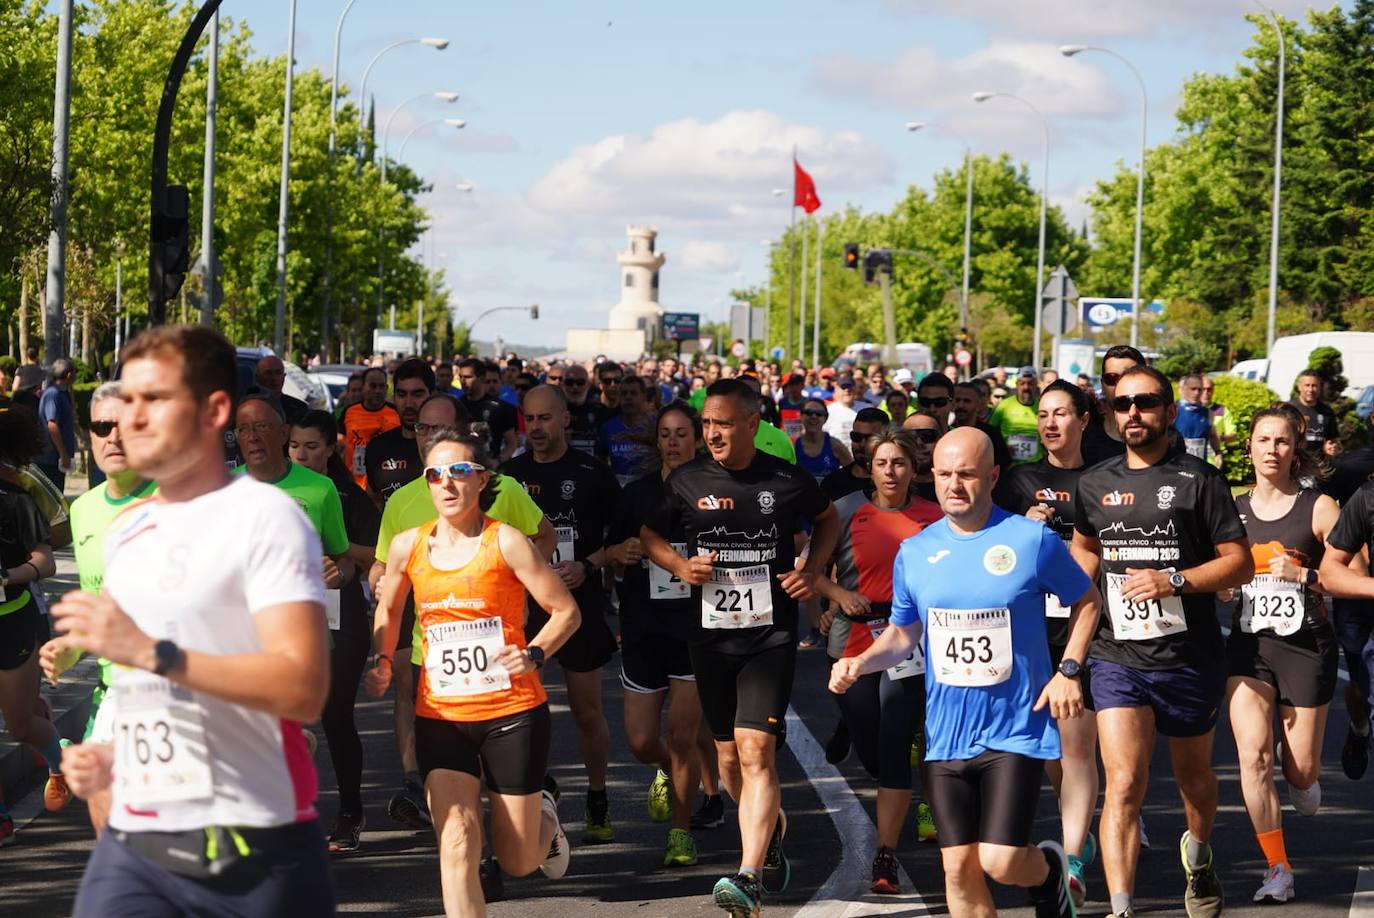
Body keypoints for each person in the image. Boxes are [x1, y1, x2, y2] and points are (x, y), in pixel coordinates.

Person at [52, 325, 334, 916]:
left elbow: (303, 688)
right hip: (137, 839)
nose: (133, 417)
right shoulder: (129, 533)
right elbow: (139, 686)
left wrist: (152, 651)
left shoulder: (266, 519)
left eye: (155, 399)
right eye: (126, 401)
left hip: (251, 837)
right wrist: (109, 753)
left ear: (213, 410)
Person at [830, 426, 1095, 918]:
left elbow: (1086, 600)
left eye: (967, 474)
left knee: (999, 860)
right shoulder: (916, 551)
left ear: (992, 476)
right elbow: (904, 634)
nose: (954, 484)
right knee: (956, 870)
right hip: (946, 734)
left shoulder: (1030, 539)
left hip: (1015, 730)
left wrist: (1070, 669)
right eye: (945, 473)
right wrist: (861, 661)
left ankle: (1050, 873)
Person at [641, 378, 839, 917]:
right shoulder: (686, 479)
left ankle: (748, 876)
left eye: (723, 424)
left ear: (753, 424)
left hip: (769, 635)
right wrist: (681, 566)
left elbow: (827, 519)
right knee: (728, 759)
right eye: (708, 424)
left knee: (756, 752)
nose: (712, 434)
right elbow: (649, 535)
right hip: (710, 635)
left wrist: (813, 568)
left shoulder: (786, 479)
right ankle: (769, 827)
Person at [364, 432, 579, 917]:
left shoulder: (507, 541)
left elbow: (566, 612)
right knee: (457, 838)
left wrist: (537, 653)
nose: (446, 483)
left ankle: (544, 814)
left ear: (481, 479)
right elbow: (389, 609)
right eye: (434, 474)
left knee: (518, 859)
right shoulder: (407, 546)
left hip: (513, 714)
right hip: (441, 715)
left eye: (459, 471)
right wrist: (381, 658)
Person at [1071, 365, 1253, 918]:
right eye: (1121, 404)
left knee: (1195, 781)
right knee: (1123, 781)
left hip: (1189, 655)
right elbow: (1085, 551)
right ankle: (1122, 906)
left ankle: (1197, 854)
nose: (1132, 413)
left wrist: (1173, 580)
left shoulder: (1201, 480)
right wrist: (1067, 598)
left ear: (1169, 412)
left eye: (1146, 403)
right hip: (1116, 654)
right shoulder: (1095, 482)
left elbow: (1240, 564)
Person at [369, 393, 554, 843]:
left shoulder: (503, 491)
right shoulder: (403, 502)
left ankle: (534, 822)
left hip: (503, 668)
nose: (428, 438)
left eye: (438, 429)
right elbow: (383, 569)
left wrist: (522, 584)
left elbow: (543, 538)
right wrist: (382, 643)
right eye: (421, 429)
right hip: (430, 653)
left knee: (516, 838)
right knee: (456, 822)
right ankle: (464, 841)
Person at [1220, 408, 1340, 904]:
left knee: (1300, 772)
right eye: (1263, 440)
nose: (1272, 449)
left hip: (1305, 647)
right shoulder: (1230, 508)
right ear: (1248, 447)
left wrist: (1308, 577)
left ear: (1296, 450)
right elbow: (1215, 569)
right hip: (1250, 647)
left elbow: (1351, 572)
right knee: (1253, 756)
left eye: (1282, 441)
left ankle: (1303, 781)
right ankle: (1277, 867)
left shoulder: (1319, 507)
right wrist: (1223, 588)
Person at [817, 429, 942, 893]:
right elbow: (811, 572)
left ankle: (884, 855)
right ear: (869, 467)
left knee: (892, 747)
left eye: (900, 463)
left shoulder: (933, 514)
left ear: (914, 469)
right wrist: (839, 593)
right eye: (882, 463)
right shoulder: (846, 510)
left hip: (909, 640)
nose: (891, 472)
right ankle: (854, 727)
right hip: (853, 638)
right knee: (872, 751)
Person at [993, 380, 1101, 907]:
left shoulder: (1103, 479)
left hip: (1083, 625)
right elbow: (987, 547)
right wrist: (1019, 530)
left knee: (1077, 746)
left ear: (1084, 419)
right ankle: (1076, 824)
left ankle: (1074, 858)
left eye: (1061, 413)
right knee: (1052, 751)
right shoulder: (1018, 481)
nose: (1050, 423)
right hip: (1026, 630)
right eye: (1042, 415)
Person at [503, 385, 622, 843]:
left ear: (565, 420)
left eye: (544, 419)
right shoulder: (508, 478)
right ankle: (537, 790)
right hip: (523, 609)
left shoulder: (592, 472)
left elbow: (622, 536)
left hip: (578, 606)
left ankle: (597, 793)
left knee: (586, 710)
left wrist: (588, 564)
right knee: (523, 710)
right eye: (529, 420)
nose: (536, 428)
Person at [38, 383, 158, 837]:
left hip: (178, 692)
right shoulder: (83, 510)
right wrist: (69, 648)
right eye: (101, 427)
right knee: (109, 825)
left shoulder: (178, 505)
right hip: (115, 690)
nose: (113, 437)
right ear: (88, 436)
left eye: (125, 426)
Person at [607, 401, 711, 868]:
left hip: (695, 627)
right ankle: (668, 772)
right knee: (642, 741)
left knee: (684, 734)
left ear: (698, 439)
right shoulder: (636, 495)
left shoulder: (714, 492)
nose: (672, 441)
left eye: (681, 433)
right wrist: (621, 551)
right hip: (644, 627)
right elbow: (607, 552)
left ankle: (681, 832)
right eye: (665, 434)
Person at [289, 410, 384, 854]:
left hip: (339, 616)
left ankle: (350, 812)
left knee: (336, 715)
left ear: (332, 448)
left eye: (312, 446)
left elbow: (376, 554)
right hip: (284, 618)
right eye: (295, 446)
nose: (303, 455)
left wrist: (335, 552)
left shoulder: (348, 495)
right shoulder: (272, 490)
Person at [0, 405, 67, 845]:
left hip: (13, 620)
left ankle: (61, 761)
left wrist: (9, 576)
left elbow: (46, 559)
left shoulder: (17, 496)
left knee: (21, 725)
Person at [365, 358, 435, 505]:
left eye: (417, 394)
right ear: (393, 396)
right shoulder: (377, 447)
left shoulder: (448, 448)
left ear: (432, 395)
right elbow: (374, 502)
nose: (409, 403)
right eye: (402, 394)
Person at [1080, 345, 1145, 466]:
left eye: (1128, 377)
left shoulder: (1165, 437)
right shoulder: (1083, 436)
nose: (1120, 384)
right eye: (1111, 378)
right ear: (1102, 384)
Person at [341, 366, 401, 490]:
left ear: (387, 388)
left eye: (381, 386)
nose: (377, 391)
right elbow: (339, 445)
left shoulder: (396, 412)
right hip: (355, 484)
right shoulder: (349, 412)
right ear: (363, 387)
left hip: (387, 482)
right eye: (373, 386)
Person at [820, 407, 887, 502]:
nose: (862, 444)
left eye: (870, 438)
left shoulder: (895, 483)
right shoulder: (833, 482)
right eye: (857, 437)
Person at [458, 359, 519, 462]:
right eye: (460, 377)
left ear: (481, 378)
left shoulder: (501, 408)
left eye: (468, 377)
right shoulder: (456, 406)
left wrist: (497, 461)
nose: (463, 381)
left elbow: (512, 443)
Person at [600, 374, 656, 485]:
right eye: (624, 394)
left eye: (633, 393)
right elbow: (601, 461)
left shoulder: (656, 425)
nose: (628, 397)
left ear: (644, 396)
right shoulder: (608, 427)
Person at [954, 380, 1013, 475]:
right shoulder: (946, 432)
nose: (961, 405)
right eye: (957, 400)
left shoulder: (991, 434)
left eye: (967, 401)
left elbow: (1004, 466)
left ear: (977, 405)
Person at [37, 357, 77, 493]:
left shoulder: (62, 394)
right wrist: (63, 453)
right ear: (69, 374)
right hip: (50, 460)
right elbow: (52, 424)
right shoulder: (53, 394)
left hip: (55, 460)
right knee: (52, 497)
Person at [990, 366, 1042, 465]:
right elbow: (991, 432)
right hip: (1008, 464)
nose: (1026, 387)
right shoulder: (1004, 405)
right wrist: (1002, 449)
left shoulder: (1042, 406)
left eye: (1030, 383)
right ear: (1016, 385)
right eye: (1022, 383)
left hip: (1035, 466)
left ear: (1036, 385)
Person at [794, 397, 850, 483]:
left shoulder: (835, 445)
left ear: (825, 418)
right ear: (801, 416)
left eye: (819, 414)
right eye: (809, 413)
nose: (813, 416)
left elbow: (853, 474)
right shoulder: (793, 446)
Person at [561, 363, 610, 457]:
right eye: (570, 383)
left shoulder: (600, 412)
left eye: (580, 383)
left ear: (588, 384)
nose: (575, 387)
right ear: (563, 384)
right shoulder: (554, 412)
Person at [1174, 374, 1221, 465]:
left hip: (1198, 465)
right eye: (1192, 389)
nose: (1196, 393)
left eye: (1199, 389)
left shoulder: (1208, 413)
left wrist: (1218, 452)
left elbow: (1212, 435)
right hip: (1177, 465)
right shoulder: (1173, 410)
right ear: (1184, 389)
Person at [1289, 369, 1339, 455]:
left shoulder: (1327, 412)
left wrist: (1330, 448)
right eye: (1307, 385)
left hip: (1318, 464)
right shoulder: (1289, 409)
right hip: (1295, 464)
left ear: (1319, 388)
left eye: (1314, 386)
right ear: (1299, 387)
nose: (1310, 389)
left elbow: (1332, 440)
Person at [253, 355, 308, 424]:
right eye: (268, 373)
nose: (274, 378)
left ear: (284, 377)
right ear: (257, 378)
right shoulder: (247, 407)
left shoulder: (298, 408)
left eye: (278, 373)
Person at [900, 412, 942, 503]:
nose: (919, 443)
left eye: (927, 436)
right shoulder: (889, 490)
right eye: (911, 437)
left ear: (941, 440)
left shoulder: (954, 488)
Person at [823, 374, 861, 442]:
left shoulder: (866, 409)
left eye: (849, 387)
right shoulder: (828, 411)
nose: (847, 390)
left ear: (855, 389)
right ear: (837, 390)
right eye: (843, 387)